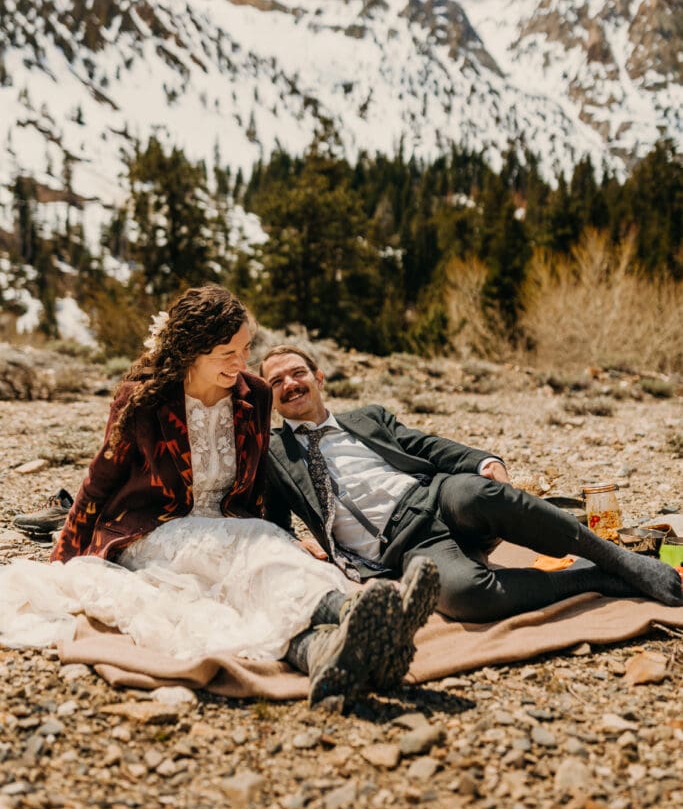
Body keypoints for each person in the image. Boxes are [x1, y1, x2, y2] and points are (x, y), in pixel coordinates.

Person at [1, 287, 439, 709]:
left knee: (254, 580)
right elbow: (99, 481)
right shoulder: (143, 398)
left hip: (232, 523)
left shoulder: (256, 395)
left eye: (245, 349)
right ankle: (356, 613)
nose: (242, 362)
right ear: (191, 351)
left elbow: (259, 483)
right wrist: (63, 561)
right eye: (227, 354)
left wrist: (286, 533)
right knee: (253, 556)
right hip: (154, 531)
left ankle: (325, 651)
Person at [259, 345, 683, 623]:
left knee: (482, 492)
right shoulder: (274, 454)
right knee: (465, 597)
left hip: (434, 497)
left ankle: (621, 561)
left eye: (297, 373)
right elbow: (272, 523)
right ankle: (592, 577)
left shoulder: (367, 418)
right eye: (276, 382)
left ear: (318, 376)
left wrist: (484, 461)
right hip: (403, 548)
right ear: (269, 396)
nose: (289, 384)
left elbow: (426, 445)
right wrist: (300, 546)